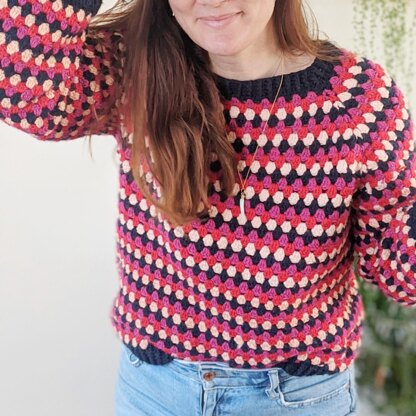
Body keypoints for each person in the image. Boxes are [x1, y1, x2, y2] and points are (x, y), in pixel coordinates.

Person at [1, 0, 415, 415]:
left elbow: (399, 271)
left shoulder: (356, 100)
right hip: (154, 391)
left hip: (292, 397)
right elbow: (25, 96)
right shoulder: (136, 68)